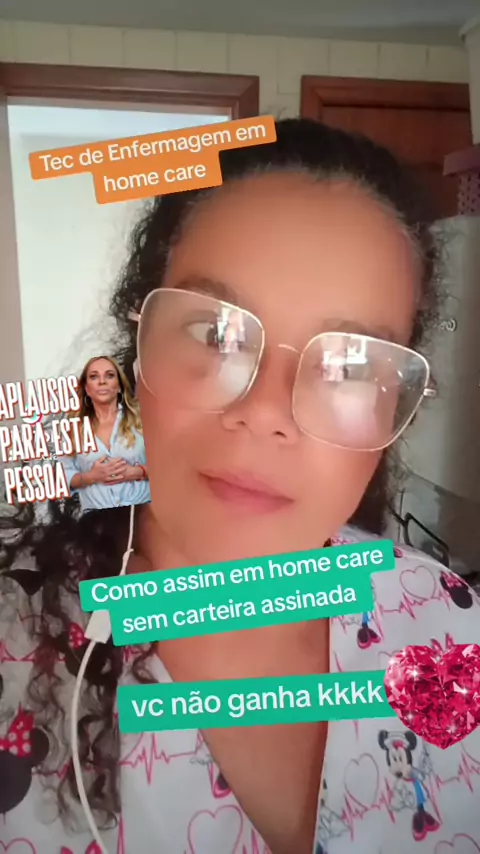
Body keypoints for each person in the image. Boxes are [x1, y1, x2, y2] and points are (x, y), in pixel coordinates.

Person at [0, 118, 479, 854]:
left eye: (350, 365)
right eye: (213, 333)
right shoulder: (13, 632)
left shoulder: (446, 623)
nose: (264, 412)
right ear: (138, 349)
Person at [61, 355, 150, 512]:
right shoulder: (72, 429)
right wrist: (91, 477)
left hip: (142, 514)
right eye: (94, 377)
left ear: (119, 385)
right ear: (87, 388)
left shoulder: (143, 418)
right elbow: (64, 477)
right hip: (96, 519)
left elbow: (170, 466)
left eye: (109, 375)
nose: (102, 381)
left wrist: (137, 472)